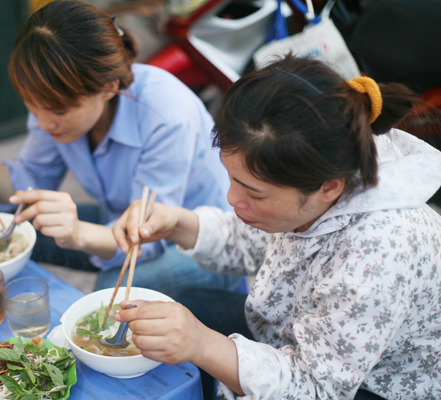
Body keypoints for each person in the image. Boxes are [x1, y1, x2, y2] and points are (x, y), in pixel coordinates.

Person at [112, 54, 441, 400]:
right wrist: (176, 222)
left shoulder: (378, 254)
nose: (231, 198)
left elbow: (318, 388)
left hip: (368, 385)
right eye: (231, 178)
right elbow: (249, 241)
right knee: (174, 308)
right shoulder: (313, 176)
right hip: (293, 337)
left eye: (252, 192)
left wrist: (203, 344)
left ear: (329, 187)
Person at [0, 0, 240, 293]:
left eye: (59, 111)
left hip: (200, 246)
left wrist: (77, 233)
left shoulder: (167, 114)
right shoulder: (50, 96)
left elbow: (145, 239)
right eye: (32, 106)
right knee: (11, 232)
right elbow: (27, 186)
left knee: (108, 291)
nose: (44, 122)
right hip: (121, 222)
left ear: (109, 88)